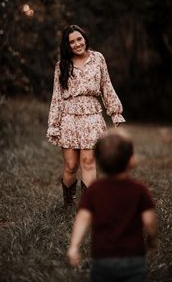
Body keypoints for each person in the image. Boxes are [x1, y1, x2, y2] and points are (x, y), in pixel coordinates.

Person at [46, 25, 125, 207]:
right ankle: (68, 202)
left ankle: (89, 204)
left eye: (79, 39)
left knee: (89, 162)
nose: (77, 44)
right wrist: (54, 124)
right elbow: (57, 97)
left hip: (92, 116)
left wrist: (115, 112)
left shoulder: (98, 59)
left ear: (85, 38)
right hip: (69, 117)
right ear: (67, 45)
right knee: (71, 166)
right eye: (71, 41)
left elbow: (106, 85)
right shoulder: (62, 65)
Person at [67, 129, 158, 282]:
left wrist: (74, 246)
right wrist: (152, 239)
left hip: (103, 258)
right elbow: (149, 220)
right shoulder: (139, 189)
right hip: (134, 258)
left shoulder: (94, 190)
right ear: (131, 161)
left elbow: (83, 218)